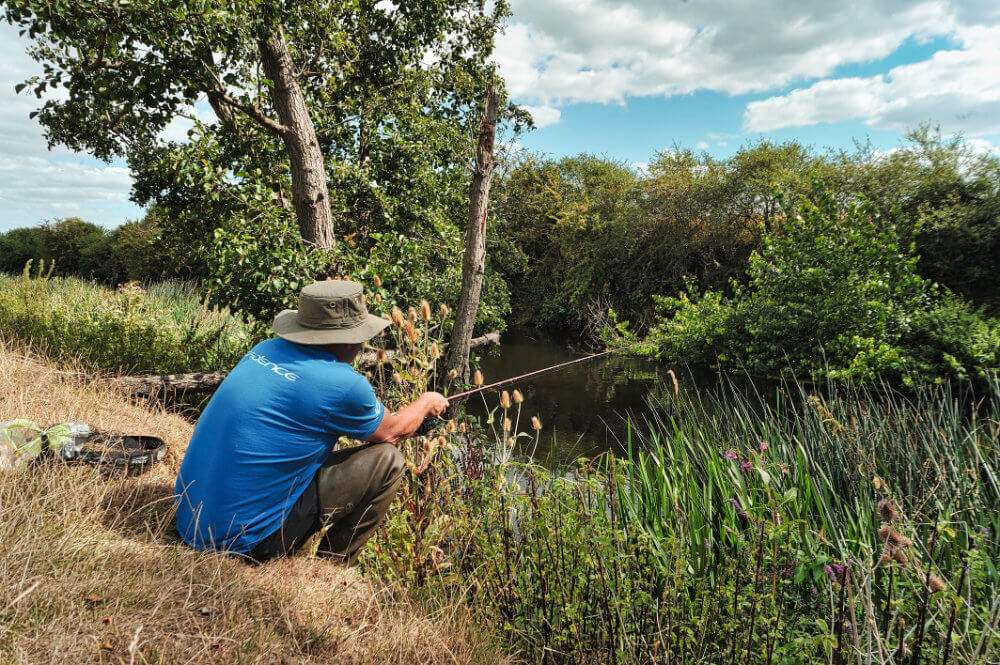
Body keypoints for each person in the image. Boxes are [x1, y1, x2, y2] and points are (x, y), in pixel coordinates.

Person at [174, 280, 448, 564]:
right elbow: (391, 434)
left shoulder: (264, 349)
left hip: (191, 518)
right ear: (345, 338)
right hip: (246, 542)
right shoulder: (342, 384)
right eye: (358, 335)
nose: (361, 343)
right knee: (388, 460)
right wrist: (427, 401)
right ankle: (333, 566)